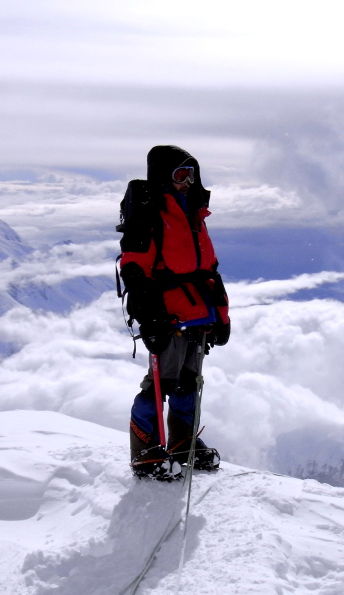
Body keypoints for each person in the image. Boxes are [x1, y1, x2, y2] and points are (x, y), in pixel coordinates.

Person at [118, 145, 230, 479]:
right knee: (158, 384)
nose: (187, 181)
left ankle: (182, 444)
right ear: (163, 177)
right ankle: (146, 452)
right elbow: (135, 270)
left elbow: (210, 270)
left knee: (187, 382)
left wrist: (221, 317)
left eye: (191, 174)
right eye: (180, 175)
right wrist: (149, 318)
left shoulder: (194, 214)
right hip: (167, 316)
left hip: (198, 314)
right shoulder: (150, 215)